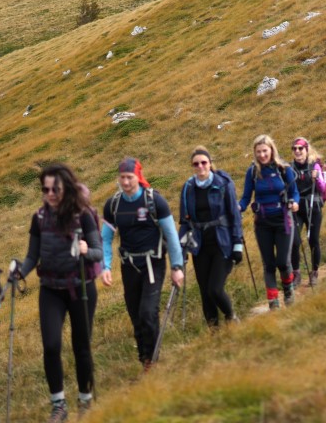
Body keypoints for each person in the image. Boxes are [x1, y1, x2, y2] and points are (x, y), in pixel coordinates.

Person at [11, 163, 101, 421]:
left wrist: (86, 250)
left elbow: (97, 252)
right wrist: (20, 272)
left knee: (81, 346)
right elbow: (32, 256)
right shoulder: (39, 218)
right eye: (45, 189)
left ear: (66, 188)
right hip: (50, 289)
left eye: (55, 189)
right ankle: (58, 405)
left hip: (81, 287)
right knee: (51, 346)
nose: (50, 193)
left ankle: (85, 401)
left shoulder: (83, 215)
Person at [100, 157, 185, 371]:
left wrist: (177, 267)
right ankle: (144, 358)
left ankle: (152, 360)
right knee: (135, 314)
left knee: (148, 312)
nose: (126, 182)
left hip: (153, 264)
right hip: (129, 266)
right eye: (122, 178)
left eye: (129, 177)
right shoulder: (113, 205)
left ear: (138, 177)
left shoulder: (155, 201)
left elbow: (171, 235)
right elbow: (106, 239)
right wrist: (105, 266)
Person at [178, 147, 244, 329]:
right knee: (204, 292)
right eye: (196, 164)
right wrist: (181, 250)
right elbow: (184, 222)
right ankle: (213, 331)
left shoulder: (223, 183)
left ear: (210, 163)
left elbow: (234, 215)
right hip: (199, 246)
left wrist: (238, 243)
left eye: (203, 162)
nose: (200, 166)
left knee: (214, 288)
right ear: (192, 166)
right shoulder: (188, 188)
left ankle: (231, 316)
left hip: (223, 243)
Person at [238, 135, 300, 310]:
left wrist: (295, 203)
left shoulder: (283, 169)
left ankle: (288, 290)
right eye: (258, 152)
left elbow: (294, 192)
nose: (262, 155)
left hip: (283, 220)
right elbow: (245, 198)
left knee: (282, 261)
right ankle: (273, 302)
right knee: (269, 264)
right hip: (262, 223)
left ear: (271, 150)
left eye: (265, 151)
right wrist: (238, 207)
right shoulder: (252, 172)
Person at [289, 138, 326, 287]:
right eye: (295, 149)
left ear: (306, 150)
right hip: (297, 207)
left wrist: (317, 177)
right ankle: (296, 273)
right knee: (294, 241)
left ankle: (314, 272)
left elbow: (323, 188)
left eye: (300, 148)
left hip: (313, 206)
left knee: (313, 240)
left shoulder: (315, 165)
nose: (297, 151)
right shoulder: (290, 168)